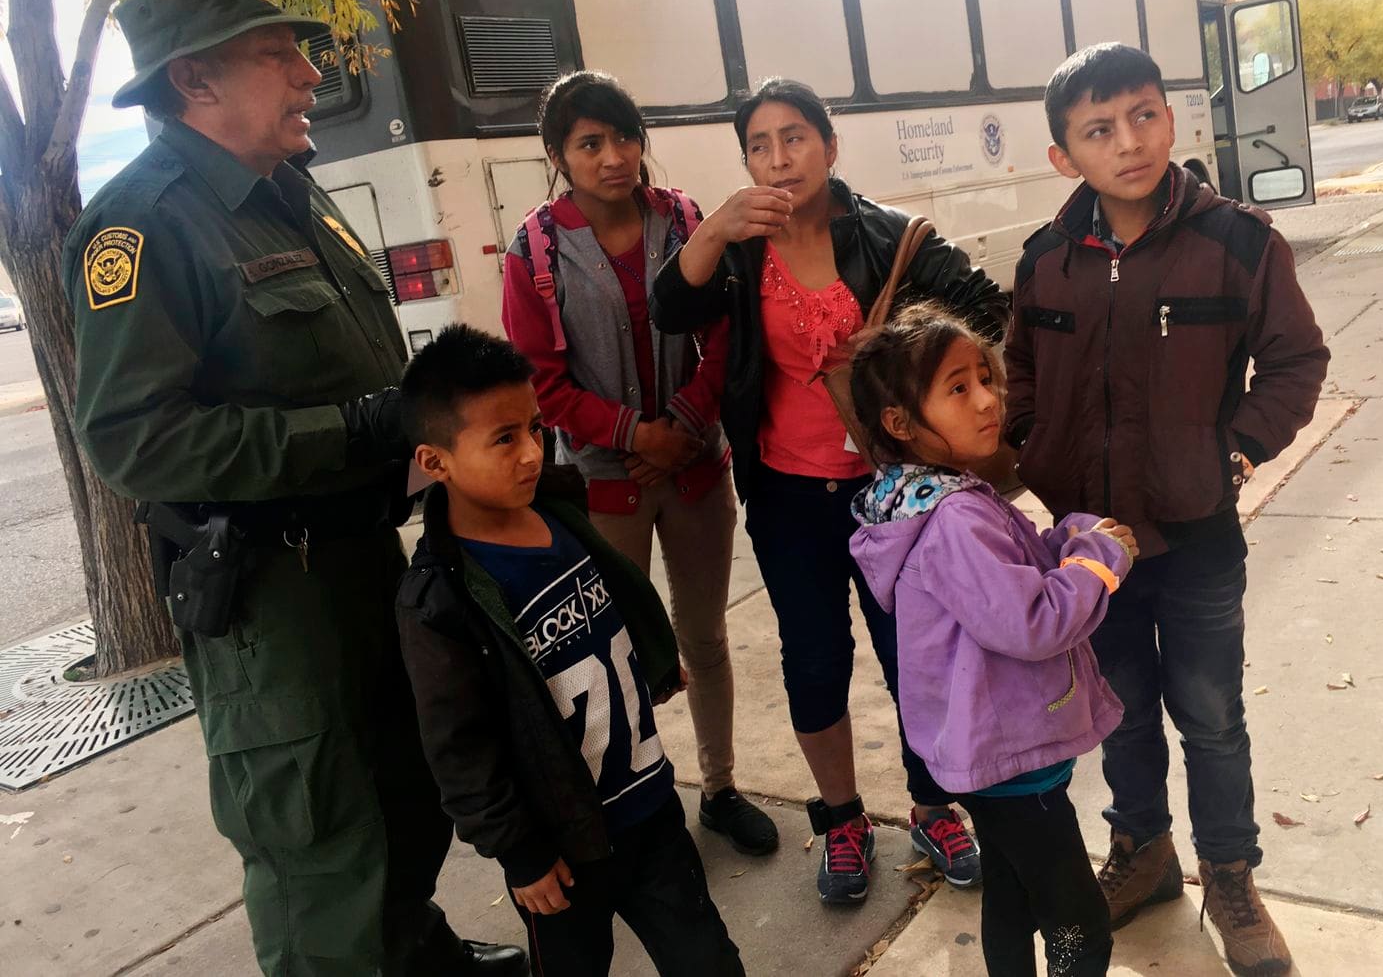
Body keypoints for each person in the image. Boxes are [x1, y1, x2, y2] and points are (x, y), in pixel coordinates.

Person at [62, 0, 526, 976]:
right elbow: (136, 441)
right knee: (321, 836)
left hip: (362, 558)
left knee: (400, 791)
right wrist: (351, 430)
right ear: (194, 81)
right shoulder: (142, 224)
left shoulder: (288, 190)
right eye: (277, 55)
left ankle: (413, 952)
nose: (310, 74)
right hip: (274, 597)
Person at [1005, 42, 1329, 977]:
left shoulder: (1238, 242)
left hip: (1195, 539)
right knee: (1121, 716)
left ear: (1170, 118)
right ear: (1064, 155)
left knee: (1211, 717)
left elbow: (1296, 361)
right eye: (1099, 129)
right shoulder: (1046, 260)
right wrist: (1035, 447)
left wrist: (1235, 451)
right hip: (1090, 553)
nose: (1129, 142)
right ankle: (1143, 852)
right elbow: (1020, 369)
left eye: (1143, 115)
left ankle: (1229, 876)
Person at [650, 78, 1012, 903]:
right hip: (786, 494)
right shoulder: (740, 247)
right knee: (814, 660)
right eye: (759, 145)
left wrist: (907, 356)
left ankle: (933, 808)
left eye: (794, 138)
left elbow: (987, 312)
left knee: (915, 656)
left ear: (830, 146)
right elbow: (669, 309)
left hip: (894, 495)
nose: (778, 159)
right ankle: (843, 819)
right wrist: (714, 227)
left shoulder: (886, 235)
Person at [395, 325, 745, 977]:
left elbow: (619, 595)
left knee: (709, 960)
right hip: (563, 852)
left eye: (535, 428)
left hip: (650, 806)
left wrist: (654, 660)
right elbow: (459, 748)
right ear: (435, 462)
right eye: (504, 439)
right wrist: (519, 852)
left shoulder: (559, 512)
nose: (532, 453)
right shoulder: (442, 600)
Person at [501, 71, 776, 856]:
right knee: (609, 654)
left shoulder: (685, 220)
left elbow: (726, 333)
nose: (614, 157)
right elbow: (540, 382)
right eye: (590, 143)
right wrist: (633, 436)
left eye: (625, 137)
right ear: (558, 155)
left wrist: (682, 425)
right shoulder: (535, 250)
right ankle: (635, 805)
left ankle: (720, 788)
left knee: (704, 640)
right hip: (603, 487)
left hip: (695, 469)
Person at [848, 302, 1136, 976]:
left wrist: (1071, 538)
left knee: (1010, 894)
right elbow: (1031, 622)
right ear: (899, 423)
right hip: (1014, 760)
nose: (986, 399)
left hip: (991, 748)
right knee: (1081, 925)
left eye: (985, 377)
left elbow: (1011, 576)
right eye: (957, 388)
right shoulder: (954, 519)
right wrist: (1101, 562)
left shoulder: (933, 496)